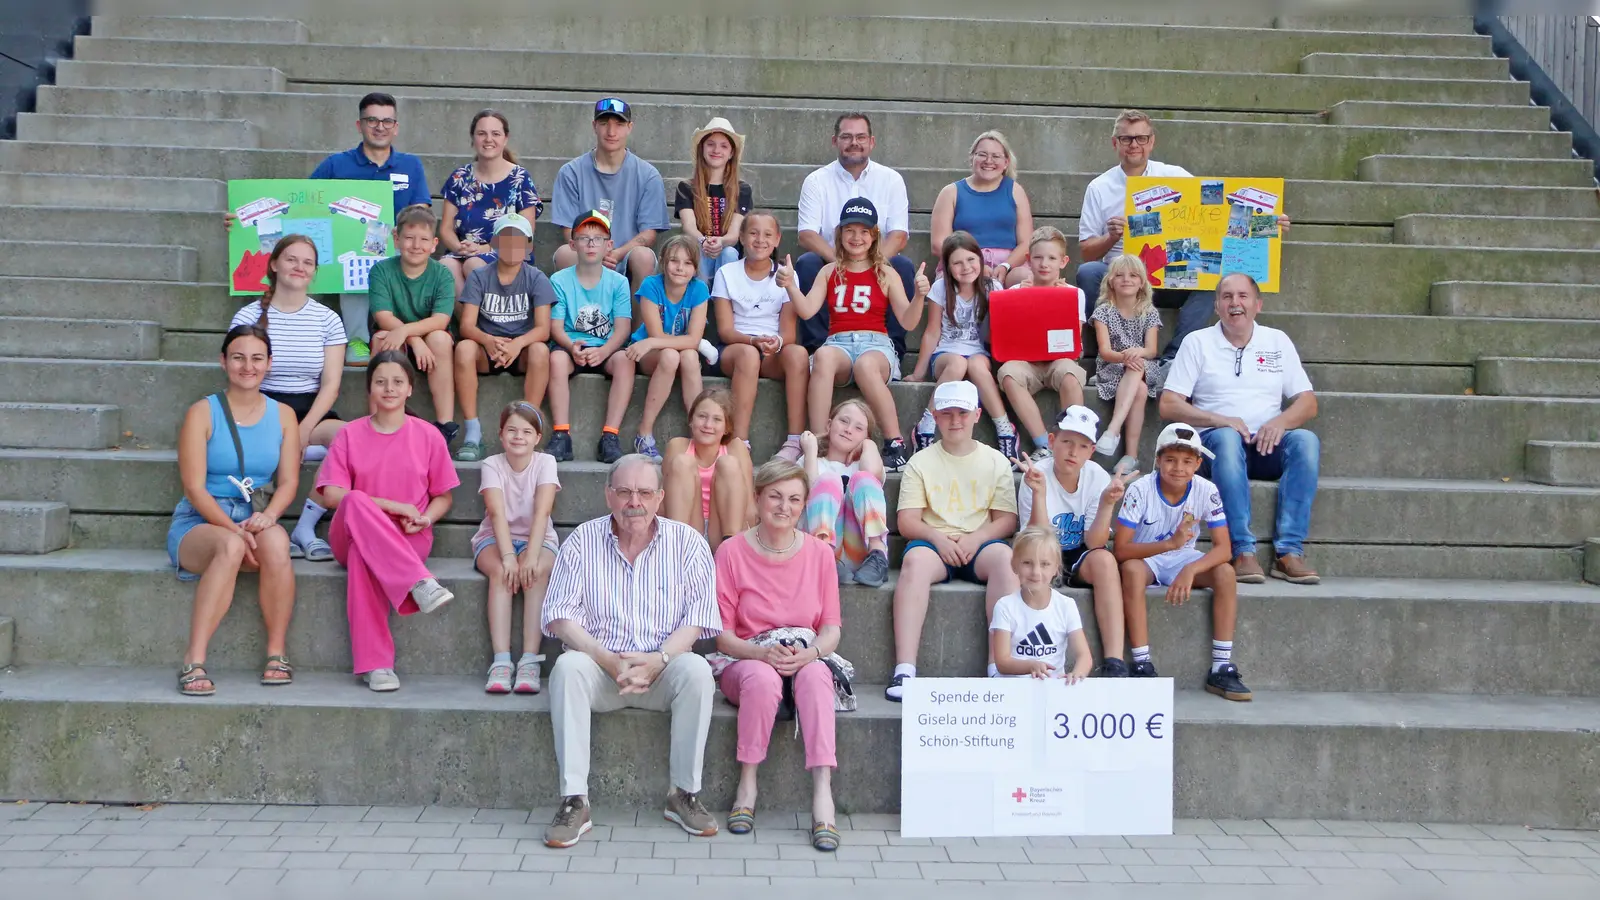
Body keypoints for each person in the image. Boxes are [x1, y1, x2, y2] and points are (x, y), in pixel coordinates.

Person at [541, 454, 723, 848]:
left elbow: (698, 618)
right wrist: (606, 658)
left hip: (663, 668)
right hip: (601, 670)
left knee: (697, 671)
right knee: (567, 668)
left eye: (643, 492)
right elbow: (558, 617)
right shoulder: (581, 541)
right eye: (624, 491)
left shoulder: (687, 543)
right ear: (609, 495)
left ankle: (684, 794)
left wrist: (659, 660)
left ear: (660, 497)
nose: (633, 502)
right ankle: (575, 800)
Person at [1076, 110, 1288, 360]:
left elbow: (1217, 213)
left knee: (1216, 280)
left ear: (1152, 141)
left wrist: (1265, 222)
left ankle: (1174, 356)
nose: (1134, 145)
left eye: (1141, 138)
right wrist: (1111, 237)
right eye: (1126, 139)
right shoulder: (1099, 187)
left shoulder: (1175, 176)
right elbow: (1086, 251)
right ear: (1115, 143)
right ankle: (1111, 350)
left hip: (1172, 275)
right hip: (1122, 277)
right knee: (1088, 273)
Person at [713, 458, 843, 851]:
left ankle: (823, 795)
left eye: (793, 499)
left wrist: (811, 654)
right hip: (747, 658)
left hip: (804, 653)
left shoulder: (820, 555)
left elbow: (832, 628)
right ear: (757, 499)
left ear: (804, 505)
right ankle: (747, 786)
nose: (783, 507)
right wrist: (760, 653)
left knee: (818, 676)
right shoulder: (732, 552)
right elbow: (721, 635)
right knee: (763, 677)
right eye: (774, 497)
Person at [1160, 272, 1321, 585]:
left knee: (1306, 441)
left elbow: (1308, 403)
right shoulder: (1198, 342)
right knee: (1227, 437)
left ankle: (1288, 551)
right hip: (1215, 447)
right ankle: (1242, 550)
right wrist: (1220, 419)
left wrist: (1280, 422)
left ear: (1257, 304)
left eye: (1243, 296)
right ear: (1217, 306)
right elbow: (1168, 405)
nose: (1236, 303)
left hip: (1265, 444)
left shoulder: (1277, 340)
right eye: (1227, 297)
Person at [314, 351, 460, 693]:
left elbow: (444, 497)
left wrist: (425, 518)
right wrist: (393, 506)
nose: (389, 388)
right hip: (351, 534)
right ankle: (420, 583)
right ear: (370, 389)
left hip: (409, 537)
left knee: (365, 560)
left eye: (397, 382)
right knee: (353, 499)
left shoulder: (428, 436)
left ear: (410, 388)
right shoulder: (350, 434)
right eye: (380, 382)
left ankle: (377, 666)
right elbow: (333, 494)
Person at [169, 323, 300, 696]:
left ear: (269, 364)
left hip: (255, 513)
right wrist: (232, 528)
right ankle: (194, 659)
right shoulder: (202, 412)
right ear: (223, 362)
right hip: (202, 522)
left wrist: (270, 516)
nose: (248, 366)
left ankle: (276, 653)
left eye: (257, 358)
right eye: (239, 357)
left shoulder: (284, 415)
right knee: (230, 546)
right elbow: (194, 487)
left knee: (276, 544)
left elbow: (288, 481)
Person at [887, 380, 1019, 701]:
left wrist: (977, 538)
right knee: (914, 562)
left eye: (962, 412)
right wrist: (938, 538)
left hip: (981, 543)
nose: (955, 420)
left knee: (1006, 560)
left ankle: (999, 665)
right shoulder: (921, 461)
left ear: (977, 415)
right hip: (934, 543)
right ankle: (905, 669)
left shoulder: (996, 461)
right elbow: (907, 521)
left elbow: (1006, 519)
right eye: (946, 413)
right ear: (935, 415)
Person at [784, 198, 930, 472]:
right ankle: (817, 442)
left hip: (875, 344)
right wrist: (792, 285)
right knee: (823, 356)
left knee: (865, 366)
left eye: (864, 231)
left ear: (874, 236)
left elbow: (908, 321)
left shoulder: (885, 272)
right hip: (838, 343)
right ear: (840, 234)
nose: (856, 237)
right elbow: (806, 310)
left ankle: (894, 443)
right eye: (850, 230)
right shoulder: (829, 271)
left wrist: (920, 296)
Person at [228, 234, 347, 563]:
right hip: (261, 406)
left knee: (350, 440)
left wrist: (304, 430)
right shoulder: (247, 317)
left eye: (308, 262)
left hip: (312, 407)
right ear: (275, 264)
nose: (299, 267)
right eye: (292, 259)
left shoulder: (328, 319)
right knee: (267, 443)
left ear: (314, 272)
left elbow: (331, 384)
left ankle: (305, 528)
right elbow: (242, 376)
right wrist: (282, 430)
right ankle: (269, 524)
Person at [1113, 423, 1248, 701]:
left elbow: (1224, 549)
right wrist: (1169, 544)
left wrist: (1191, 568)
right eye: (1171, 460)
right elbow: (1122, 550)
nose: (1179, 468)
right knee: (1131, 570)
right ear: (1158, 460)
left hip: (1184, 558)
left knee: (1224, 573)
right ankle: (1141, 661)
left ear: (1198, 463)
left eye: (1188, 461)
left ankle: (1221, 667)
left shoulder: (1206, 489)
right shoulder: (1140, 489)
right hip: (1146, 556)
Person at [1015, 406, 1132, 676]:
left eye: (1082, 446)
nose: (1073, 452)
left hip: (1080, 553)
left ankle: (1114, 660)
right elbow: (1037, 539)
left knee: (1104, 560)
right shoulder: (1036, 474)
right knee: (1033, 561)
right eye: (1067, 442)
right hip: (1041, 552)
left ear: (1091, 451)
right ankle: (1020, 660)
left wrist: (1106, 504)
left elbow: (1095, 543)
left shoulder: (1098, 477)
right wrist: (1039, 493)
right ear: (1053, 442)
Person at [793, 112, 917, 352]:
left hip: (875, 255)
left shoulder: (891, 179)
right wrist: (842, 263)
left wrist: (871, 264)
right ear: (834, 141)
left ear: (872, 141)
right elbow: (807, 234)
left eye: (861, 137)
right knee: (807, 263)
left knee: (902, 267)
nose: (854, 143)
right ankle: (817, 349)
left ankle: (893, 351)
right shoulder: (817, 180)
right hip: (832, 256)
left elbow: (899, 235)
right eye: (846, 136)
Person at [452, 213, 555, 462]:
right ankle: (472, 431)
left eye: (518, 241)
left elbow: (543, 329)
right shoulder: (479, 276)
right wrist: (488, 340)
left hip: (521, 350)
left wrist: (518, 344)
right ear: (494, 243)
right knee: (464, 348)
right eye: (505, 240)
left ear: (529, 246)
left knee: (541, 350)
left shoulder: (536, 277)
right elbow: (466, 325)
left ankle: (530, 424)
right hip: (487, 348)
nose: (512, 247)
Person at [473, 401, 559, 694]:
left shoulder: (546, 463)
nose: (518, 436)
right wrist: (509, 556)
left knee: (534, 573)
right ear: (500, 435)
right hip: (495, 537)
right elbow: (496, 513)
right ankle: (501, 660)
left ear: (537, 437)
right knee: (500, 572)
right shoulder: (492, 464)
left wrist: (531, 556)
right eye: (511, 430)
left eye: (526, 431)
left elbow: (542, 512)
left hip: (539, 537)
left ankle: (529, 660)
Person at [711, 211, 809, 459]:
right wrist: (752, 341)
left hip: (771, 350)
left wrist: (776, 343)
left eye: (767, 234)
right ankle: (739, 441)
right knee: (747, 355)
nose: (760, 240)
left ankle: (795, 441)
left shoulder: (787, 275)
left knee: (797, 354)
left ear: (777, 240)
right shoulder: (727, 273)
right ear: (742, 237)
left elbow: (789, 333)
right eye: (753, 233)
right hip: (737, 348)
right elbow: (724, 331)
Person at [550, 97, 669, 294]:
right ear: (594, 126)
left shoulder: (647, 175)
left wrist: (618, 253)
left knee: (644, 257)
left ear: (630, 127)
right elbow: (568, 228)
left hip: (626, 256)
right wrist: (594, 251)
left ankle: (638, 325)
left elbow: (649, 233)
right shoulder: (571, 172)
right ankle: (571, 324)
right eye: (604, 123)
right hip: (584, 252)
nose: (611, 132)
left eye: (619, 124)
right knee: (565, 254)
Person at [908, 231, 1012, 457]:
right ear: (947, 267)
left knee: (974, 365)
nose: (965, 267)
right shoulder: (940, 288)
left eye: (971, 259)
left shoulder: (992, 287)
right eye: (957, 263)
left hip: (978, 353)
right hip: (946, 354)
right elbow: (932, 332)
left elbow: (1002, 330)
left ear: (980, 260)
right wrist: (918, 373)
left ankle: (1005, 429)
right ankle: (926, 424)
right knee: (957, 364)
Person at [366, 204, 459, 447]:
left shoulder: (442, 274)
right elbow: (383, 315)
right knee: (382, 339)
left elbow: (441, 319)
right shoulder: (381, 271)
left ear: (434, 243)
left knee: (439, 338)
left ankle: (444, 424)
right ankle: (379, 422)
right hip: (393, 334)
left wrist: (408, 332)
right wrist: (413, 339)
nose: (416, 245)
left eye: (423, 239)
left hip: (430, 338)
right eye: (408, 238)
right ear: (396, 239)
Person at [546, 210, 635, 464]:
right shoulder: (559, 280)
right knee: (556, 361)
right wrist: (570, 346)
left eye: (598, 238)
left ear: (609, 245)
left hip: (605, 348)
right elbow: (555, 327)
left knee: (626, 361)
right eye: (584, 238)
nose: (591, 244)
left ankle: (610, 436)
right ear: (572, 244)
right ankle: (562, 434)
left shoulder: (618, 282)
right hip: (571, 346)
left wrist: (605, 351)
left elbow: (622, 328)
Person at [996, 226, 1089, 464]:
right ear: (1028, 260)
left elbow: (1073, 340)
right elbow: (1007, 336)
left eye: (1051, 258)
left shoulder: (1073, 293)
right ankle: (1043, 444)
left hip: (1059, 360)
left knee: (1070, 373)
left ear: (1063, 261)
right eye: (1037, 257)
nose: (1044, 264)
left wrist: (1058, 304)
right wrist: (1020, 302)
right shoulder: (1016, 291)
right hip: (1027, 362)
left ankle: (1074, 440)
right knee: (1008, 373)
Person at [439, 108, 544, 296]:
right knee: (445, 266)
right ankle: (468, 323)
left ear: (505, 138)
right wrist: (460, 247)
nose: (488, 139)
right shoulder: (459, 177)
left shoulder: (520, 178)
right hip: (463, 251)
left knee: (474, 265)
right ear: (473, 139)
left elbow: (526, 233)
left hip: (506, 252)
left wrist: (482, 249)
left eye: (495, 133)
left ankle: (486, 324)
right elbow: (446, 228)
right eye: (482, 133)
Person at [628, 234, 711, 460]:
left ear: (695, 268)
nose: (680, 268)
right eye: (674, 261)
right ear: (663, 261)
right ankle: (644, 433)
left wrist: (655, 341)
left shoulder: (699, 290)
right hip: (647, 354)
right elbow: (655, 334)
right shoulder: (651, 285)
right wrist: (654, 342)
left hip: (667, 349)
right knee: (671, 356)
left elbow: (694, 339)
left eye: (687, 263)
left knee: (690, 358)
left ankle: (698, 432)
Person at [799, 399, 889, 588]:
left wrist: (869, 445)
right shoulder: (811, 461)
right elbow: (806, 493)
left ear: (866, 437)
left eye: (859, 428)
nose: (848, 430)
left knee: (863, 479)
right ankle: (825, 554)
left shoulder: (864, 463)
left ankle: (878, 555)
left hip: (861, 554)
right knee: (828, 480)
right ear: (830, 425)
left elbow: (871, 474)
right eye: (844, 421)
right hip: (821, 553)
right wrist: (811, 451)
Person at [929, 131, 1034, 288]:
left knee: (1026, 279)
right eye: (982, 155)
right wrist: (973, 264)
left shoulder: (1015, 191)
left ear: (1006, 162)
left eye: (996, 156)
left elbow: (1026, 242)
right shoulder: (951, 192)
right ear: (972, 158)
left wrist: (1005, 266)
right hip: (962, 262)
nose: (988, 161)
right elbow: (938, 243)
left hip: (1009, 265)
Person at [1090, 254, 1165, 472]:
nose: (1126, 279)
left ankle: (1113, 429)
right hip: (1112, 366)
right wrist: (1125, 357)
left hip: (1142, 365)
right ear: (1110, 281)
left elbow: (1151, 350)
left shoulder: (1148, 312)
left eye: (1133, 275)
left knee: (1139, 365)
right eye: (1120, 275)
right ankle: (1130, 456)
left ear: (1142, 281)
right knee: (1140, 389)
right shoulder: (1103, 311)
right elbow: (1105, 351)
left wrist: (1136, 353)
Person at [990, 527, 1092, 681]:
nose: (1036, 572)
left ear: (1056, 569)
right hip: (1012, 685)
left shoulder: (1066, 605)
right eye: (1027, 563)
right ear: (1014, 565)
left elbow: (1084, 655)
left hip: (1051, 688)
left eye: (1044, 564)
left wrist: (1077, 674)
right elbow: (1002, 662)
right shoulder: (1005, 606)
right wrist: (1030, 666)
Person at [663, 389, 755, 551]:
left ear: (727, 427)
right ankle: (675, 548)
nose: (708, 425)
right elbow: (662, 500)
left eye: (717, 419)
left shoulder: (736, 448)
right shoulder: (677, 446)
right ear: (691, 420)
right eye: (702, 416)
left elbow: (749, 507)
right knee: (683, 463)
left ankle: (731, 552)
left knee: (728, 464)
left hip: (723, 526)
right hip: (688, 524)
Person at [677, 117, 752, 287]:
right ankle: (700, 305)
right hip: (699, 250)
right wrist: (704, 241)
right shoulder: (686, 187)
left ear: (731, 153)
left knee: (729, 253)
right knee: (698, 250)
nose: (716, 150)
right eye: (710, 144)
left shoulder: (742, 189)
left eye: (724, 145)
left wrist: (720, 242)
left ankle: (722, 305)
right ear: (702, 148)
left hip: (727, 253)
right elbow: (689, 228)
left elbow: (734, 235)